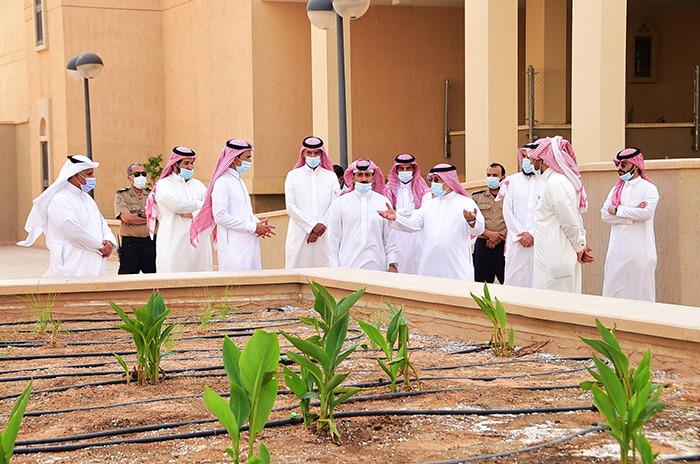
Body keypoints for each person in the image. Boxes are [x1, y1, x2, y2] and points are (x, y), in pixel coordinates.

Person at [378, 164, 485, 281]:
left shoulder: (466, 203)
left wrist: (472, 221)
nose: (433, 183)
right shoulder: (428, 205)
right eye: (432, 180)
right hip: (429, 265)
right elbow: (413, 224)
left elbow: (479, 230)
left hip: (455, 265)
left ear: (449, 181)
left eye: (437, 180)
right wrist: (396, 217)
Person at [17, 154, 117, 277]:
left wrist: (109, 242)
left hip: (96, 264)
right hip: (72, 266)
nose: (93, 177)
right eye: (89, 174)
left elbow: (102, 224)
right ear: (76, 175)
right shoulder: (60, 200)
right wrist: (101, 247)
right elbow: (73, 232)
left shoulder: (87, 199)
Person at [189, 139, 275, 271]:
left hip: (249, 243)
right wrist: (253, 227)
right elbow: (220, 217)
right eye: (247, 158)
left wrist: (259, 224)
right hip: (234, 248)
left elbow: (244, 212)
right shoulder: (222, 182)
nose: (250, 162)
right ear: (235, 159)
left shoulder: (239, 181)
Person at [527, 136, 593, 293]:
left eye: (532, 158)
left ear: (542, 159)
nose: (530, 162)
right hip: (557, 253)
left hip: (555, 255)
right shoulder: (559, 181)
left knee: (550, 299)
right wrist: (580, 244)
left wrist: (580, 246)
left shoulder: (555, 183)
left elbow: (568, 220)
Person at [601, 148, 659, 301]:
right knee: (612, 297)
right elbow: (605, 215)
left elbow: (646, 214)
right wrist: (632, 214)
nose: (619, 168)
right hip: (616, 253)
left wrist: (618, 210)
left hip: (640, 254)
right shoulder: (616, 190)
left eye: (624, 164)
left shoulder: (649, 189)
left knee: (641, 297)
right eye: (618, 164)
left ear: (636, 165)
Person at [145, 146, 212, 273]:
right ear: (175, 165)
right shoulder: (164, 184)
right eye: (186, 163)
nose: (190, 167)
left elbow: (211, 207)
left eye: (191, 163)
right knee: (172, 277)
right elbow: (177, 205)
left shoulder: (198, 185)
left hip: (199, 244)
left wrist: (193, 213)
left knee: (200, 279)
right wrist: (201, 205)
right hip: (173, 242)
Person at [327, 159, 398, 272]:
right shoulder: (340, 203)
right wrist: (334, 268)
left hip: (378, 267)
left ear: (373, 177)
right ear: (353, 177)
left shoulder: (383, 202)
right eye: (359, 175)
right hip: (347, 267)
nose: (364, 179)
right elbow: (333, 239)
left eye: (367, 175)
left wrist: (392, 264)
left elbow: (390, 238)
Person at [283, 136, 340, 269]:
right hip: (299, 232)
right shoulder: (293, 176)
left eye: (316, 153)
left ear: (321, 154)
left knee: (324, 271)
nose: (313, 156)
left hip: (324, 234)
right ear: (303, 153)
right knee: (296, 271)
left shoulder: (331, 176)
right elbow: (290, 206)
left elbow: (334, 205)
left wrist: (319, 229)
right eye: (309, 153)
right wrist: (312, 226)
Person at [500, 144, 545, 288]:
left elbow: (548, 214)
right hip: (517, 242)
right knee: (514, 283)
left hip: (541, 241)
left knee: (539, 283)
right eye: (523, 156)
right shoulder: (513, 180)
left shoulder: (548, 181)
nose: (526, 160)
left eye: (529, 157)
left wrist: (532, 234)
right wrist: (521, 234)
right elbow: (507, 211)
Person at [384, 153, 430, 274]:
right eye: (402, 168)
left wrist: (398, 213)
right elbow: (387, 211)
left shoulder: (423, 188)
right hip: (396, 236)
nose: (405, 171)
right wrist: (409, 213)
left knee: (418, 269)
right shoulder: (388, 189)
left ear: (413, 169)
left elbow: (425, 211)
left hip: (417, 236)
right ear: (396, 170)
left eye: (408, 168)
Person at [114, 163, 156, 274]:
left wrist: (137, 216)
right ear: (129, 177)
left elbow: (158, 215)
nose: (141, 177)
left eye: (143, 174)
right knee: (127, 277)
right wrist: (148, 217)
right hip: (131, 244)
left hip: (150, 242)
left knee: (154, 277)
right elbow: (127, 218)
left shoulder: (151, 194)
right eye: (137, 174)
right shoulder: (122, 195)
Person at [471, 163, 507, 283]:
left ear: (503, 177)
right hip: (483, 245)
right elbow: (472, 221)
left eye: (495, 175)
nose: (491, 178)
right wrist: (489, 234)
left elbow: (516, 217)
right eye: (489, 175)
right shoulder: (477, 197)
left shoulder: (510, 196)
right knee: (482, 284)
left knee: (509, 282)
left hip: (505, 245)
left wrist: (500, 236)